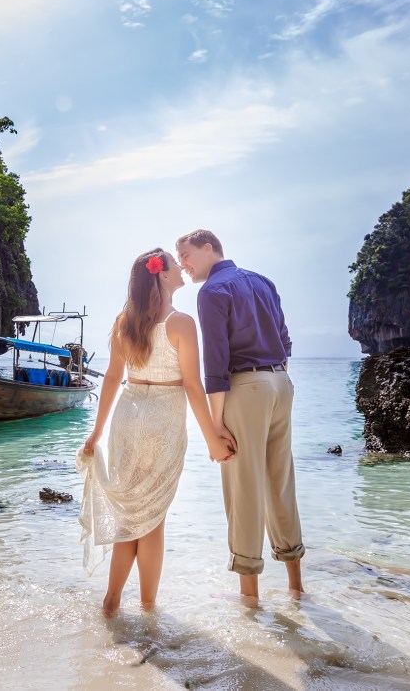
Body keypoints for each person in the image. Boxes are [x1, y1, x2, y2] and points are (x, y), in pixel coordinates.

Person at [78, 247, 235, 617]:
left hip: (127, 418)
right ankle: (149, 609)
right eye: (173, 263)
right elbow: (194, 387)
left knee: (130, 516)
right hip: (163, 419)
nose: (181, 268)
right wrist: (214, 437)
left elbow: (113, 379)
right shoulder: (181, 323)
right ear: (161, 275)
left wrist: (95, 434)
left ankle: (112, 601)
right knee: (152, 519)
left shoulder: (125, 321)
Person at [175, 229, 304, 605]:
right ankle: (296, 587)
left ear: (209, 247)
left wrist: (215, 427)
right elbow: (285, 338)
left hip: (246, 389)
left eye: (185, 254)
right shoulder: (264, 281)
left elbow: (216, 363)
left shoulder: (212, 292)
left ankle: (249, 597)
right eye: (178, 258)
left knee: (243, 489)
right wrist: (272, 376)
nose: (183, 263)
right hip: (281, 383)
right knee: (280, 482)